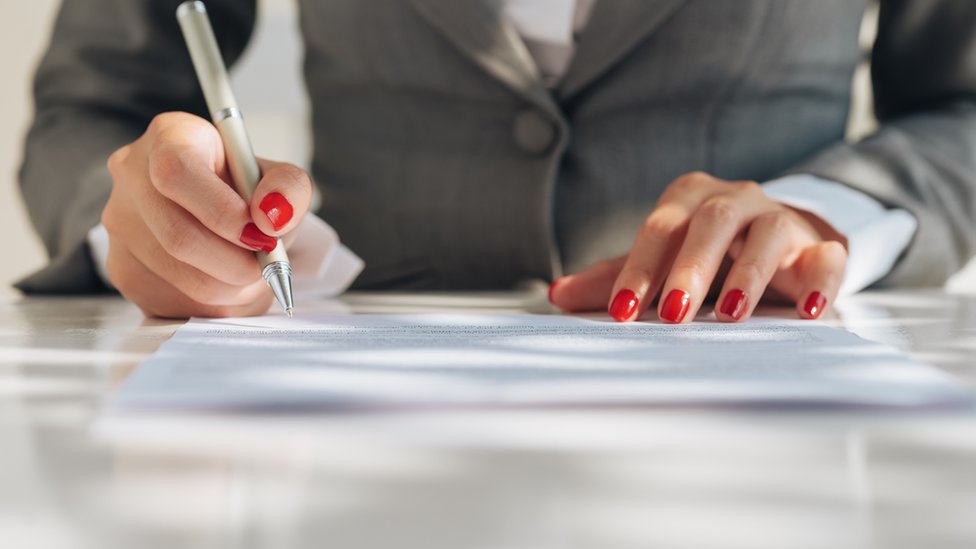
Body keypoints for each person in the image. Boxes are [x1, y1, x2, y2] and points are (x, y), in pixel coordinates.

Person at [17, 0, 976, 323]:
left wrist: (826, 212)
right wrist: (146, 227)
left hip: (770, 426)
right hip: (342, 455)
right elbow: (94, 105)